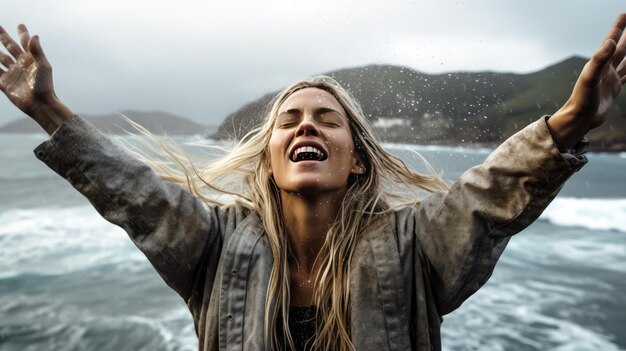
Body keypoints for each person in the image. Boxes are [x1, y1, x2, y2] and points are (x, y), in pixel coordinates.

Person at [0, 14, 624, 350]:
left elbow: (488, 196)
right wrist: (49, 111)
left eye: (328, 119)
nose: (307, 126)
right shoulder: (213, 246)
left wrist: (570, 121)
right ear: (269, 154)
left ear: (356, 158)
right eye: (289, 120)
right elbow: (132, 192)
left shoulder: (416, 245)